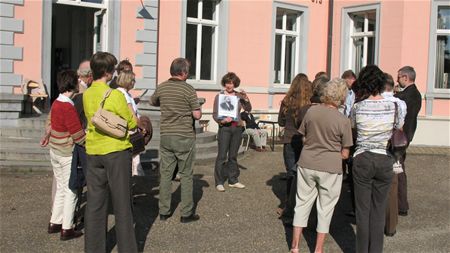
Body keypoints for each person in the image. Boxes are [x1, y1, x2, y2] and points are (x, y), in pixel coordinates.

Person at [83, 52, 138, 252]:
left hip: (93, 150)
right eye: (113, 69)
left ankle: (93, 248)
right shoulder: (114, 94)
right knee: (122, 203)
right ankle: (127, 249)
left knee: (95, 203)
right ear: (107, 72)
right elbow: (131, 123)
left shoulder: (87, 93)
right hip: (116, 150)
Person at [290, 78, 353, 253]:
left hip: (307, 162)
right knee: (325, 208)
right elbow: (345, 152)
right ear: (342, 97)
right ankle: (318, 249)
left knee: (301, 203)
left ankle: (295, 246)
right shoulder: (343, 120)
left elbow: (303, 136)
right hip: (330, 167)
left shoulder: (312, 111)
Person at [351, 65, 404, 253]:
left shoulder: (357, 107)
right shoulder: (395, 105)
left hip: (362, 157)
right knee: (379, 210)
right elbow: (398, 126)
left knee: (362, 210)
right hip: (384, 158)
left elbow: (354, 128)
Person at [150, 58, 202, 223]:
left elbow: (153, 101)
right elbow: (197, 114)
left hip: (166, 136)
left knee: (165, 174)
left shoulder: (162, 87)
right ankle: (186, 213)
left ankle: (164, 211)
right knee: (186, 175)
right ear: (184, 72)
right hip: (184, 136)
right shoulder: (188, 90)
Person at [47, 70, 86, 241]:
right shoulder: (68, 106)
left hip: (54, 150)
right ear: (72, 84)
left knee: (62, 187)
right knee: (71, 190)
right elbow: (77, 135)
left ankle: (55, 222)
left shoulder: (56, 102)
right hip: (66, 152)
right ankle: (67, 227)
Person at [277, 73, 313, 220]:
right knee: (303, 173)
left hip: (289, 139)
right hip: (304, 141)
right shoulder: (309, 105)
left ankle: (288, 205)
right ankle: (302, 204)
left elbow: (280, 122)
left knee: (291, 173)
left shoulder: (286, 101)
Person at [213, 72, 252, 192]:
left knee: (233, 156)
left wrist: (246, 98)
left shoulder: (239, 96)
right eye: (227, 82)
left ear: (235, 83)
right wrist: (222, 121)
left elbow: (248, 109)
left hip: (237, 128)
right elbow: (215, 115)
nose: (229, 85)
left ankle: (233, 180)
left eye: (231, 83)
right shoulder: (219, 96)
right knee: (222, 156)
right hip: (225, 128)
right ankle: (219, 182)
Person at [394, 66, 422, 217]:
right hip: (407, 135)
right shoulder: (415, 93)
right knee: (399, 167)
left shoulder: (406, 95)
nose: (397, 79)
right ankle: (401, 203)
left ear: (405, 77)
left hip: (401, 136)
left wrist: (394, 94)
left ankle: (401, 204)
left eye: (399, 77)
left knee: (398, 168)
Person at [382, 72, 407, 237]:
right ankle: (390, 227)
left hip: (374, 146)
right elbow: (400, 125)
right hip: (392, 148)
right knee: (392, 186)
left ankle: (373, 223)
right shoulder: (400, 103)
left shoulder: (371, 101)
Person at [116, 70, 145, 176]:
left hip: (127, 128)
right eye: (133, 80)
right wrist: (142, 126)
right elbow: (132, 115)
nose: (134, 82)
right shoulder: (124, 94)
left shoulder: (124, 93)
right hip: (129, 130)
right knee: (133, 157)